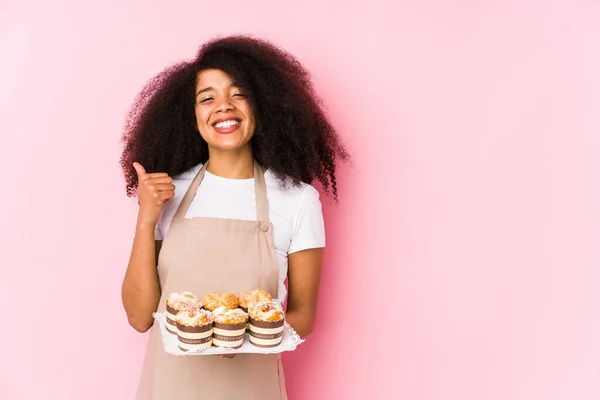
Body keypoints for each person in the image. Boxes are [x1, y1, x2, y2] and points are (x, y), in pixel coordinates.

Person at [119, 35, 348, 399]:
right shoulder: (165, 194)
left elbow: (303, 316)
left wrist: (242, 338)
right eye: (207, 98)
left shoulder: (298, 200)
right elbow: (140, 317)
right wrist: (146, 220)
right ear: (191, 116)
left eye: (238, 94)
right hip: (169, 388)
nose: (223, 107)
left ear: (263, 105)